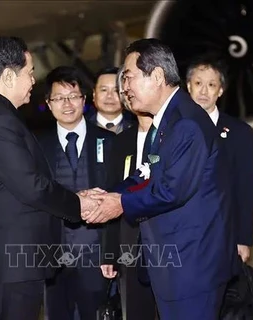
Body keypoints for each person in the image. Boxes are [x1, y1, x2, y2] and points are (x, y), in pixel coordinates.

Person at [82, 38, 236, 319]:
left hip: (192, 265)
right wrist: (108, 195)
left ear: (156, 76)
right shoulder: (167, 120)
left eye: (128, 77)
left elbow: (170, 190)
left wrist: (119, 203)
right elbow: (146, 173)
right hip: (176, 262)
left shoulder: (185, 123)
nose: (124, 87)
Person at [0, 36, 97, 320]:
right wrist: (78, 204)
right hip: (13, 259)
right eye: (29, 73)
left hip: (6, 255)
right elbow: (31, 186)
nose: (33, 81)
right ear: (9, 76)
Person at [37, 66, 114, 320]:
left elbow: (118, 200)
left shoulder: (110, 142)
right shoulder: (37, 145)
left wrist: (111, 252)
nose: (66, 104)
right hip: (53, 257)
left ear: (84, 99)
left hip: (95, 257)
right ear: (49, 104)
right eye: (58, 98)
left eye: (72, 96)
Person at [186, 55, 253, 263]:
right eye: (198, 83)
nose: (204, 91)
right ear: (188, 86)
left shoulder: (239, 132)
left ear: (221, 90)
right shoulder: (170, 127)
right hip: (179, 232)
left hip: (222, 233)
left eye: (211, 85)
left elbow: (245, 188)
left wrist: (243, 239)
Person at [101, 66, 157, 320]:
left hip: (166, 242)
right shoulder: (122, 141)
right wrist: (109, 252)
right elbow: (113, 193)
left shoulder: (173, 135)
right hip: (129, 241)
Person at [87, 67, 137, 134]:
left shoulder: (137, 126)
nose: (109, 96)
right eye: (104, 90)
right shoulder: (82, 125)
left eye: (116, 90)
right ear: (94, 94)